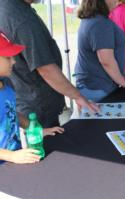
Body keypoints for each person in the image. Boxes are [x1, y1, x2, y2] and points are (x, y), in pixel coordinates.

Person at [0, 0, 98, 128]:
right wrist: (77, 96)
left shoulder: (11, 7)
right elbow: (45, 68)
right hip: (38, 105)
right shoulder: (20, 18)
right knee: (46, 145)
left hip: (29, 99)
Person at [0, 34, 64, 164]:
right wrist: (11, 156)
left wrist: (36, 130)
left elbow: (11, 112)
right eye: (8, 57)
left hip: (13, 159)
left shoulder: (6, 84)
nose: (13, 61)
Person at [74, 0, 125, 102]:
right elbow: (106, 60)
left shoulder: (95, 19)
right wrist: (123, 82)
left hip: (94, 86)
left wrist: (124, 73)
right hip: (97, 87)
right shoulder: (100, 23)